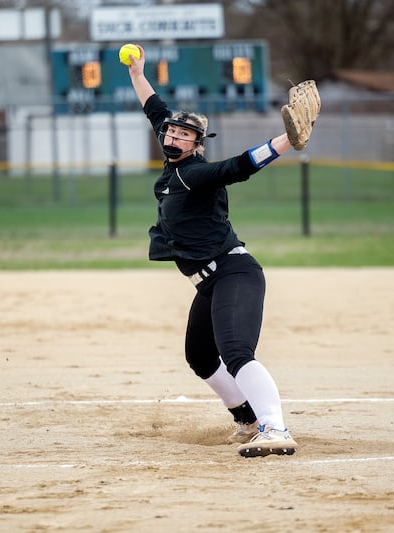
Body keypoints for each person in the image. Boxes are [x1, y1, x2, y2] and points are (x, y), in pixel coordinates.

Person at [125, 44, 307, 457]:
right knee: (201, 357)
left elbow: (237, 167)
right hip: (207, 284)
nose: (173, 136)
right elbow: (155, 108)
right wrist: (137, 73)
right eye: (171, 132)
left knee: (237, 353)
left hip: (233, 273)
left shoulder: (194, 174)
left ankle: (275, 429)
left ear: (196, 143)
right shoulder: (173, 160)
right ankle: (246, 420)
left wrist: (285, 140)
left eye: (183, 135)